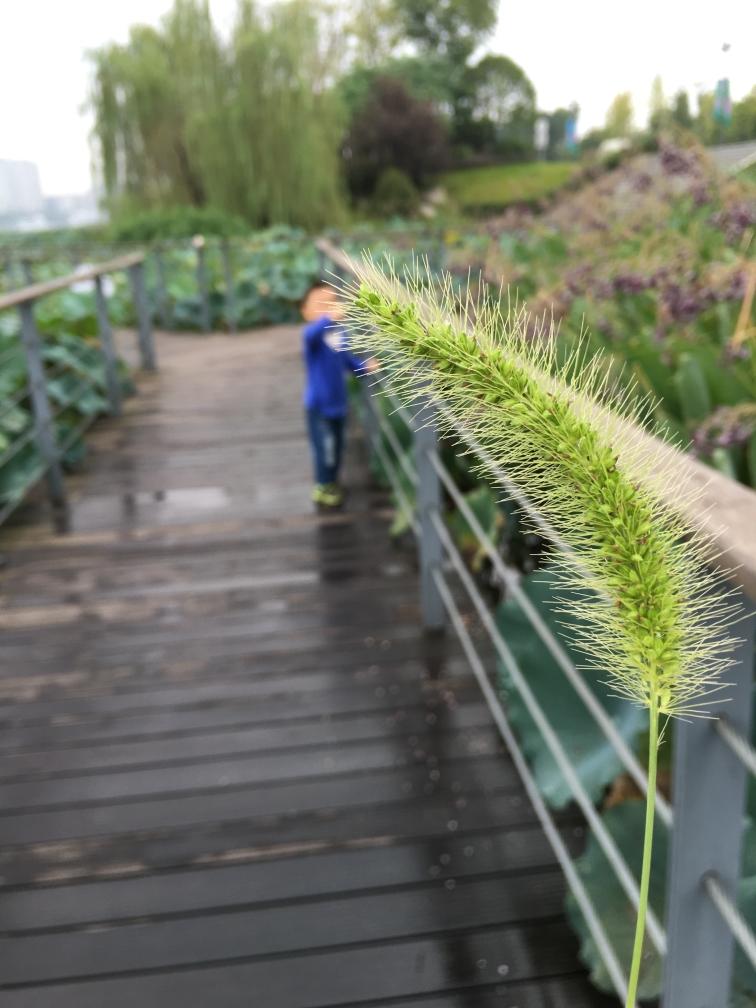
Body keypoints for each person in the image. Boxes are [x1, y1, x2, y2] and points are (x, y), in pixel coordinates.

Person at [300, 283, 374, 508]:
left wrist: (364, 368)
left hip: (339, 404)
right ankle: (323, 486)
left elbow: (346, 360)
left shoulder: (339, 333)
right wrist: (327, 318)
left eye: (332, 302)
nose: (328, 308)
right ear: (305, 312)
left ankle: (331, 481)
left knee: (339, 446)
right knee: (326, 449)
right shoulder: (312, 335)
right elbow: (311, 334)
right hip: (319, 406)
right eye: (320, 305)